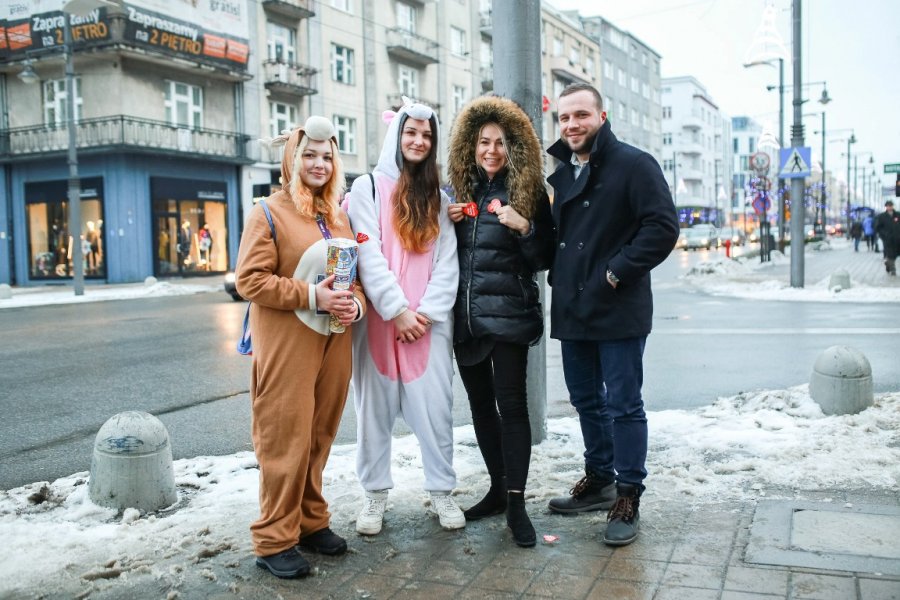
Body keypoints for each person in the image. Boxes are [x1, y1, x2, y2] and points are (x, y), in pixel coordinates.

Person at [545, 83, 679, 547]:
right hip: (573, 308)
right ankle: (599, 479)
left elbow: (662, 227)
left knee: (624, 404)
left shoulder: (634, 165)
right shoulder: (564, 171)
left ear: (602, 116)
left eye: (581, 115)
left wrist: (615, 274)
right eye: (564, 118)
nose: (572, 124)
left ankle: (627, 495)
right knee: (586, 400)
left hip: (617, 306)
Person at [234, 116, 366, 579]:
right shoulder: (267, 211)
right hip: (288, 344)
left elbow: (354, 282)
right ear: (292, 159)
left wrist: (356, 307)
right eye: (309, 154)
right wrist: (313, 296)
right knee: (283, 439)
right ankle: (273, 539)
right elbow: (250, 281)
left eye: (327, 156)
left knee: (319, 435)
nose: (318, 163)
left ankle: (310, 522)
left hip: (334, 341)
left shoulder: (338, 215)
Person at [345, 98, 463, 535]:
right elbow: (367, 252)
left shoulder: (438, 197)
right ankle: (374, 496)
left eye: (426, 135)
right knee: (372, 414)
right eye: (411, 132)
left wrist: (426, 315)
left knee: (435, 413)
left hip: (427, 329)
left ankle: (442, 492)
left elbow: (447, 262)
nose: (418, 140)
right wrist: (396, 311)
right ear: (397, 135)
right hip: (378, 323)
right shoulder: (367, 189)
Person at [446, 96, 555, 548]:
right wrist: (445, 223)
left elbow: (544, 258)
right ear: (471, 146)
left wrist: (524, 227)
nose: (492, 150)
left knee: (511, 407)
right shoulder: (458, 193)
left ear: (514, 147)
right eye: (484, 141)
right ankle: (495, 487)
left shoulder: (528, 190)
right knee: (479, 409)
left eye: (501, 142)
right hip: (465, 318)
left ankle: (516, 502)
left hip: (508, 314)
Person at [875, 200, 900, 275]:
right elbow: (878, 227)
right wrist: (884, 235)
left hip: (898, 238)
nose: (889, 207)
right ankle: (893, 270)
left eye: (891, 205)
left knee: (895, 254)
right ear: (886, 207)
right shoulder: (882, 216)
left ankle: (888, 263)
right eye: (888, 206)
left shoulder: (898, 215)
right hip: (887, 239)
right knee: (890, 254)